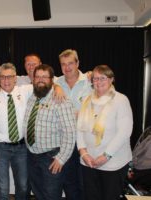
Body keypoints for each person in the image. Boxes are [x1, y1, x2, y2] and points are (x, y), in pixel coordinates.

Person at [77, 65, 133, 200]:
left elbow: (124, 132)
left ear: (111, 80)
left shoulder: (120, 100)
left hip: (113, 163)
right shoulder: (86, 100)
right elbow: (79, 128)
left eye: (103, 78)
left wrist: (106, 156)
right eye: (95, 78)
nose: (99, 82)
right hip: (88, 162)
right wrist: (83, 153)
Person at [24, 64, 76, 200]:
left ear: (52, 80)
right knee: (38, 193)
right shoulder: (32, 97)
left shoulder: (61, 100)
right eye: (38, 76)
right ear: (33, 79)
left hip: (51, 157)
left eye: (44, 77)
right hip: (32, 156)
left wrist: (61, 158)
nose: (40, 80)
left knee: (51, 195)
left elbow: (69, 133)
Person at [0, 63, 32, 200]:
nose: (6, 80)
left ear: (15, 78)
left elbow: (45, 82)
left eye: (9, 77)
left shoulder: (25, 90)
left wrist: (58, 89)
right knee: (2, 188)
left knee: (23, 185)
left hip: (21, 147)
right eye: (2, 77)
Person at [56, 49, 92, 200]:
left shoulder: (91, 81)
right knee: (69, 184)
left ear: (78, 63)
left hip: (86, 141)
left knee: (86, 183)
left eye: (71, 63)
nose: (67, 67)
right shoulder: (56, 83)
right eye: (63, 64)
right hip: (65, 142)